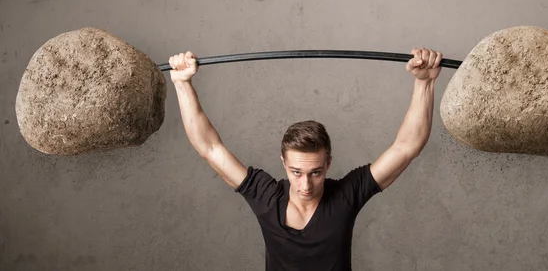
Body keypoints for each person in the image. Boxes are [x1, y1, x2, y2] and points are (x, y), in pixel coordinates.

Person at [168, 47, 443, 271]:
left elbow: (407, 146)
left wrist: (425, 82)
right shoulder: (266, 196)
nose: (306, 185)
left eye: (316, 172)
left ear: (328, 164)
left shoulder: (345, 196)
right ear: (283, 164)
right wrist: (182, 84)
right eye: (296, 172)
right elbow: (210, 148)